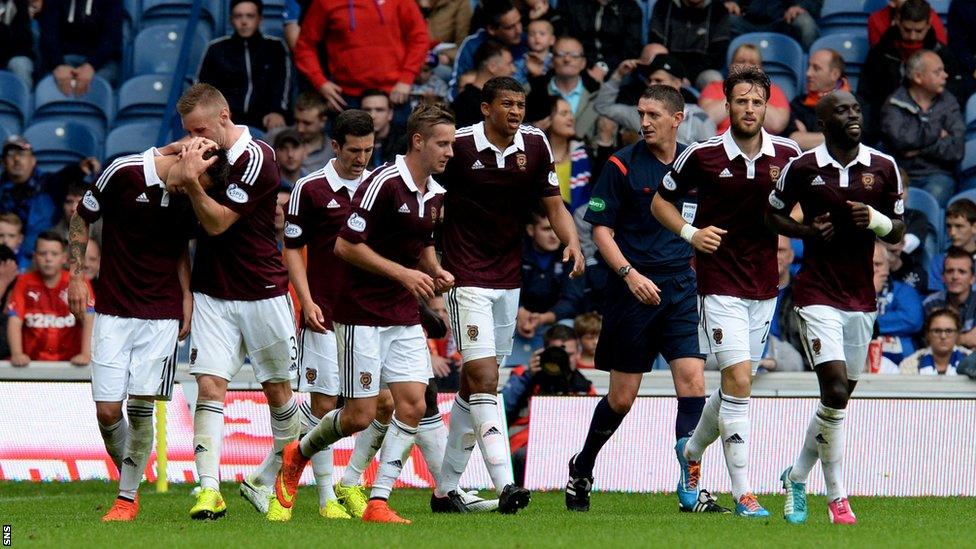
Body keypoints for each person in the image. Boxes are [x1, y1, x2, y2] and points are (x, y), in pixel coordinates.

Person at [273, 102, 457, 524]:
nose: (450, 152)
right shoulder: (383, 183)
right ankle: (296, 453)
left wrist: (433, 270)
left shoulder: (435, 192)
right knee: (359, 414)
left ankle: (377, 499)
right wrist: (404, 274)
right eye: (443, 144)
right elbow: (344, 246)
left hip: (402, 314)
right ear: (418, 142)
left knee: (411, 405)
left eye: (451, 144)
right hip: (361, 315)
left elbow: (422, 243)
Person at [567, 84, 726, 514]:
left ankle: (691, 485)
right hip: (632, 289)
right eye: (641, 113)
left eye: (654, 114)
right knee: (622, 397)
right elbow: (600, 229)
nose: (645, 122)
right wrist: (628, 273)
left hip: (679, 287)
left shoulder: (695, 162)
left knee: (693, 383)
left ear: (678, 118)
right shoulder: (621, 164)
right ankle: (582, 467)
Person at [653, 64, 802, 517]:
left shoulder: (789, 153)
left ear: (767, 106)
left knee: (739, 385)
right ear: (728, 104)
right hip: (718, 283)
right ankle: (744, 493)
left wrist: (794, 230)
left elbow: (797, 206)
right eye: (742, 100)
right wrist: (690, 235)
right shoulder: (703, 154)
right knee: (737, 381)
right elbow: (660, 202)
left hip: (765, 284)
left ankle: (691, 452)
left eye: (758, 101)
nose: (750, 108)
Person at [437, 76, 584, 514]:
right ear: (486, 108)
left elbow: (553, 203)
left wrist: (572, 240)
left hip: (508, 279)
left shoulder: (536, 144)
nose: (516, 112)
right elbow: (419, 183)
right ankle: (506, 484)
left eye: (520, 104)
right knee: (484, 378)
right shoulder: (457, 145)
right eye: (507, 104)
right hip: (464, 277)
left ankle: (445, 491)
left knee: (474, 384)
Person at [67, 144, 227, 521]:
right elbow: (81, 217)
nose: (192, 191)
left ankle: (126, 498)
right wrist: (75, 277)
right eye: (193, 183)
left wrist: (186, 295)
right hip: (112, 309)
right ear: (187, 161)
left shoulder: (191, 197)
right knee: (107, 412)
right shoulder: (123, 171)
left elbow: (178, 251)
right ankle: (131, 476)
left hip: (161, 312)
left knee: (140, 408)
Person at [766, 90, 905, 525]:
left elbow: (898, 230)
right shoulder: (803, 167)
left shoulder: (883, 167)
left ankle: (797, 475)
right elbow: (771, 215)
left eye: (856, 109)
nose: (853, 116)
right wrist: (805, 230)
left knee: (835, 405)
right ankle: (838, 497)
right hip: (817, 293)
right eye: (842, 111)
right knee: (836, 391)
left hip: (861, 298)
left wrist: (878, 221)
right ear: (823, 123)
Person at [166, 84, 301, 521]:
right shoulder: (202, 155)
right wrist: (180, 166)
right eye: (188, 132)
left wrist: (190, 182)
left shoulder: (259, 158)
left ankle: (267, 480)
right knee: (209, 385)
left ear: (224, 116)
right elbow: (165, 179)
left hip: (263, 291)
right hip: (213, 294)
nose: (194, 140)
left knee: (279, 393)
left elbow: (219, 222)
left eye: (200, 129)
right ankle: (208, 490)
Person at [235, 110, 376, 520]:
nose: (361, 158)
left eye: (368, 150)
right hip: (325, 312)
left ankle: (264, 475)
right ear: (335, 146)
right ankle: (327, 497)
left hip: (372, 316)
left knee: (377, 404)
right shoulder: (310, 189)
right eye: (354, 150)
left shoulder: (378, 185)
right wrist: (306, 299)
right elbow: (292, 249)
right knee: (325, 403)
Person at [293, 0, 429, 112]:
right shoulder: (325, 2)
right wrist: (321, 82)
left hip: (394, 93)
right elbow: (304, 46)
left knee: (403, 144)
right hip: (345, 96)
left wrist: (406, 78)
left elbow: (419, 38)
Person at [503, 324, 594, 485]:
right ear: (544, 353)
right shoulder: (525, 377)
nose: (563, 359)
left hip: (569, 445)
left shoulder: (584, 387)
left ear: (578, 354)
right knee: (523, 456)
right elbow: (502, 409)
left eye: (569, 354)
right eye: (557, 354)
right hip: (526, 445)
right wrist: (529, 376)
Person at [859, 0, 963, 140]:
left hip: (932, 128)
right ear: (897, 21)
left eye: (918, 31)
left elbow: (955, 94)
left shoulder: (942, 54)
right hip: (886, 132)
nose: (912, 36)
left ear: (928, 24)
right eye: (907, 30)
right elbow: (866, 95)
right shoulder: (880, 53)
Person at [880, 49, 965, 206]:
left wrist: (919, 149)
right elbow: (901, 142)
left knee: (935, 195)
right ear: (918, 77)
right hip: (900, 174)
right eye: (937, 72)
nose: (945, 75)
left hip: (937, 175)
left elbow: (956, 148)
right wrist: (936, 136)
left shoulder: (949, 102)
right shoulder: (895, 104)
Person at [1, 136, 101, 263]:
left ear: (33, 160)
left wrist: (80, 169)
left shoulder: (48, 184)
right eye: (10, 155)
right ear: (3, 162)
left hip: (42, 258)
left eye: (21, 154)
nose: (16, 159)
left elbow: (64, 177)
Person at [197, 0, 291, 132]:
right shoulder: (216, 49)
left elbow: (283, 84)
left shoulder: (275, 48)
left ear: (260, 19)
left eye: (250, 16)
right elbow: (203, 89)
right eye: (238, 16)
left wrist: (278, 111)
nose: (244, 21)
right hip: (226, 120)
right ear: (231, 20)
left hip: (265, 121)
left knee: (279, 132)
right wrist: (216, 112)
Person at [7, 230, 94, 366]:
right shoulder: (24, 281)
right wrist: (17, 353)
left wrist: (86, 353)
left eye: (54, 254)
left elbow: (89, 318)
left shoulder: (78, 282)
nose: (48, 258)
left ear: (64, 257)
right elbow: (14, 320)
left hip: (70, 366)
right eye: (42, 253)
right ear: (34, 257)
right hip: (32, 366)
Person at [595, 54, 716, 146]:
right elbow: (603, 107)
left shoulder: (699, 119)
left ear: (677, 83)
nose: (652, 85)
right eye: (650, 80)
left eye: (658, 80)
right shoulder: (639, 114)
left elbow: (711, 160)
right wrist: (618, 75)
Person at [516, 208, 586, 354]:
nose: (554, 235)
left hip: (556, 322)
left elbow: (572, 300)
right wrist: (519, 311)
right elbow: (505, 288)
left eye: (557, 229)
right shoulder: (516, 252)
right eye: (547, 229)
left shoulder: (573, 254)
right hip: (518, 320)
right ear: (530, 229)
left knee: (567, 326)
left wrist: (543, 318)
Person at [698, 44, 791, 135]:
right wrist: (738, 92)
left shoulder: (774, 91)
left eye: (753, 63)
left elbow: (777, 125)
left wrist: (753, 91)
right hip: (720, 143)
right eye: (741, 61)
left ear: (761, 69)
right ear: (731, 66)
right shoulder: (714, 87)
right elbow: (705, 121)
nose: (747, 66)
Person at [526, 36, 601, 140]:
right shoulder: (533, 89)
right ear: (552, 61)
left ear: (583, 63)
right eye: (560, 55)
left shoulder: (598, 93)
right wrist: (537, 79)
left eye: (574, 56)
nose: (567, 59)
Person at [37, 0, 122, 92]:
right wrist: (59, 65)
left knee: (97, 85)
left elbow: (112, 39)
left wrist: (91, 66)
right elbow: (49, 36)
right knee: (50, 85)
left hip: (101, 63)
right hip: (63, 59)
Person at [449, 0, 526, 99]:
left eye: (519, 22)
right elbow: (455, 89)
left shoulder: (528, 40)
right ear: (492, 29)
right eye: (510, 27)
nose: (519, 30)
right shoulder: (473, 46)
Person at [648, 0, 732, 86]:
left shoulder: (719, 10)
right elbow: (657, 45)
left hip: (701, 71)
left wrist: (689, 76)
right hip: (668, 68)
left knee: (714, 79)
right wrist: (675, 73)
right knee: (657, 78)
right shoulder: (663, 5)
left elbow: (717, 56)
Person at [552, 0, 643, 76]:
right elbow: (562, 39)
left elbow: (631, 48)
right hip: (578, 64)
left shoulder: (629, 7)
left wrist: (603, 67)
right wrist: (585, 66)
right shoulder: (570, 2)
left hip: (616, 69)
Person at [788, 49, 852, 151]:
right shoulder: (799, 104)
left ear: (834, 74)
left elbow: (858, 139)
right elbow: (794, 140)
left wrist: (808, 138)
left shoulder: (857, 103)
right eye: (809, 66)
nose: (808, 73)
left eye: (816, 68)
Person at [875, 240, 924, 365]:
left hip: (902, 364)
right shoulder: (848, 294)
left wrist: (872, 324)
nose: (872, 270)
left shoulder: (904, 290)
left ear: (888, 266)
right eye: (867, 264)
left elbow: (912, 320)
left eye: (878, 264)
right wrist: (870, 293)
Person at [267, 92, 337, 175]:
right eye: (297, 121)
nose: (300, 129)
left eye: (307, 123)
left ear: (323, 121)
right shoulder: (275, 136)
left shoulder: (333, 151)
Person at [452, 40, 518, 128]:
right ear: (492, 67)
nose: (514, 69)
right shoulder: (464, 105)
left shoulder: (505, 99)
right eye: (509, 64)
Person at [543, 97, 592, 210]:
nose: (571, 118)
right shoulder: (536, 157)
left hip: (579, 224)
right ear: (548, 119)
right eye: (564, 113)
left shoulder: (584, 154)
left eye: (571, 113)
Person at [922, 248, 976, 348]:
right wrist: (964, 339)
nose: (955, 276)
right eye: (950, 271)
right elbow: (932, 342)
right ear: (943, 277)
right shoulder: (931, 303)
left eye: (962, 272)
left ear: (972, 279)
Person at [898, 308, 971, 374]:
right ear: (927, 334)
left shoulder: (972, 361)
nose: (943, 336)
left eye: (949, 331)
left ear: (957, 334)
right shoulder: (910, 365)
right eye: (937, 331)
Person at [725, 0, 821, 50]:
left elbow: (814, 2)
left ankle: (810, 70)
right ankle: (716, 75)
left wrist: (800, 6)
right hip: (746, 22)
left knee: (805, 23)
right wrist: (732, 2)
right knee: (722, 17)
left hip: (783, 23)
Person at [868, 0, 946, 47]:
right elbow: (878, 59)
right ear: (892, 2)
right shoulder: (876, 20)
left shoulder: (927, 15)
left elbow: (941, 51)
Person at [362, 90, 409, 169]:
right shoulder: (351, 140)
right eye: (367, 110)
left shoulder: (405, 142)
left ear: (390, 114)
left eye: (379, 110)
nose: (373, 116)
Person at [0, 0, 34, 87]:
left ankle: (24, 99)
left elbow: (24, 42)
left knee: (20, 64)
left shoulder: (18, 4)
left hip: (14, 54)